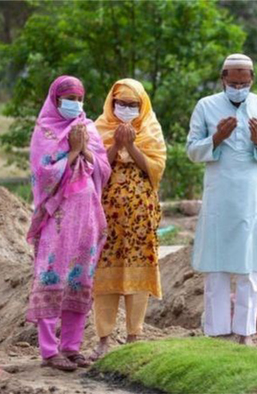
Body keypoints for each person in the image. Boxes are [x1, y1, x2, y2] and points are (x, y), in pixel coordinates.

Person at [186, 54, 257, 345]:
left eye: (244, 82)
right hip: (218, 194)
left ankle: (245, 333)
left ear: (252, 80)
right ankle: (217, 333)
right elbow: (192, 151)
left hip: (251, 195)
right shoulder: (206, 106)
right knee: (216, 266)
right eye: (233, 82)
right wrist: (216, 138)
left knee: (248, 265)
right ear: (223, 79)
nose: (239, 87)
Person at [26, 75, 111, 371]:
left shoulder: (87, 128)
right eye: (68, 99)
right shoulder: (45, 131)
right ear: (55, 99)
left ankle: (72, 347)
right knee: (52, 276)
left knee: (80, 279)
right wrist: (73, 152)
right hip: (58, 219)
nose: (74, 104)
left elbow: (103, 167)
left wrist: (85, 150)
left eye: (78, 99)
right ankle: (50, 351)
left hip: (86, 217)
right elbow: (43, 172)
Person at [90, 79, 166, 360]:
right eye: (120, 103)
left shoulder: (151, 130)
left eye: (132, 105)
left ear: (141, 105)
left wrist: (132, 147)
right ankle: (103, 339)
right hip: (106, 214)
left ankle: (134, 335)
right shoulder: (98, 129)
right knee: (104, 273)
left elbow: (155, 169)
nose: (125, 109)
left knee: (138, 270)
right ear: (111, 103)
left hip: (139, 215)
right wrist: (116, 145)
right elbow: (96, 168)